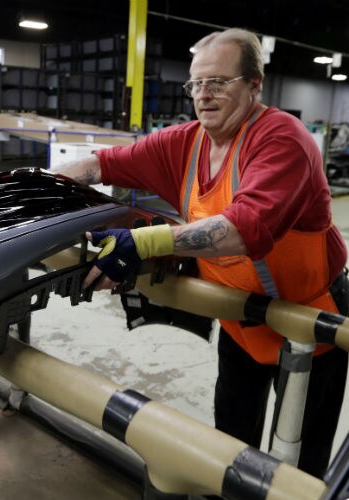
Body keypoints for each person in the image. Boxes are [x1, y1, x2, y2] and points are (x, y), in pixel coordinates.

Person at [55, 27, 348, 479]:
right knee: (231, 444)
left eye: (218, 82)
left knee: (299, 468)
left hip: (309, 325)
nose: (203, 95)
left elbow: (245, 227)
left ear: (255, 85)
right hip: (239, 318)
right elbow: (102, 164)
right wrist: (38, 185)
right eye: (196, 84)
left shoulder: (281, 139)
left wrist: (149, 242)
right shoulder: (184, 143)